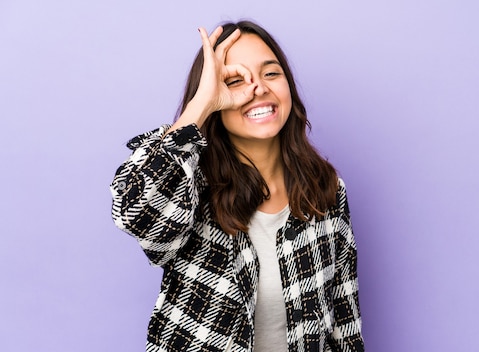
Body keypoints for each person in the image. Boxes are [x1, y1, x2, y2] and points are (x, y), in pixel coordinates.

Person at [110, 20, 365, 352]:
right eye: (234, 81)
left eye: (271, 74)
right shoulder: (190, 185)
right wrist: (200, 105)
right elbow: (136, 213)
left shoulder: (326, 189)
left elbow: (344, 321)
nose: (256, 88)